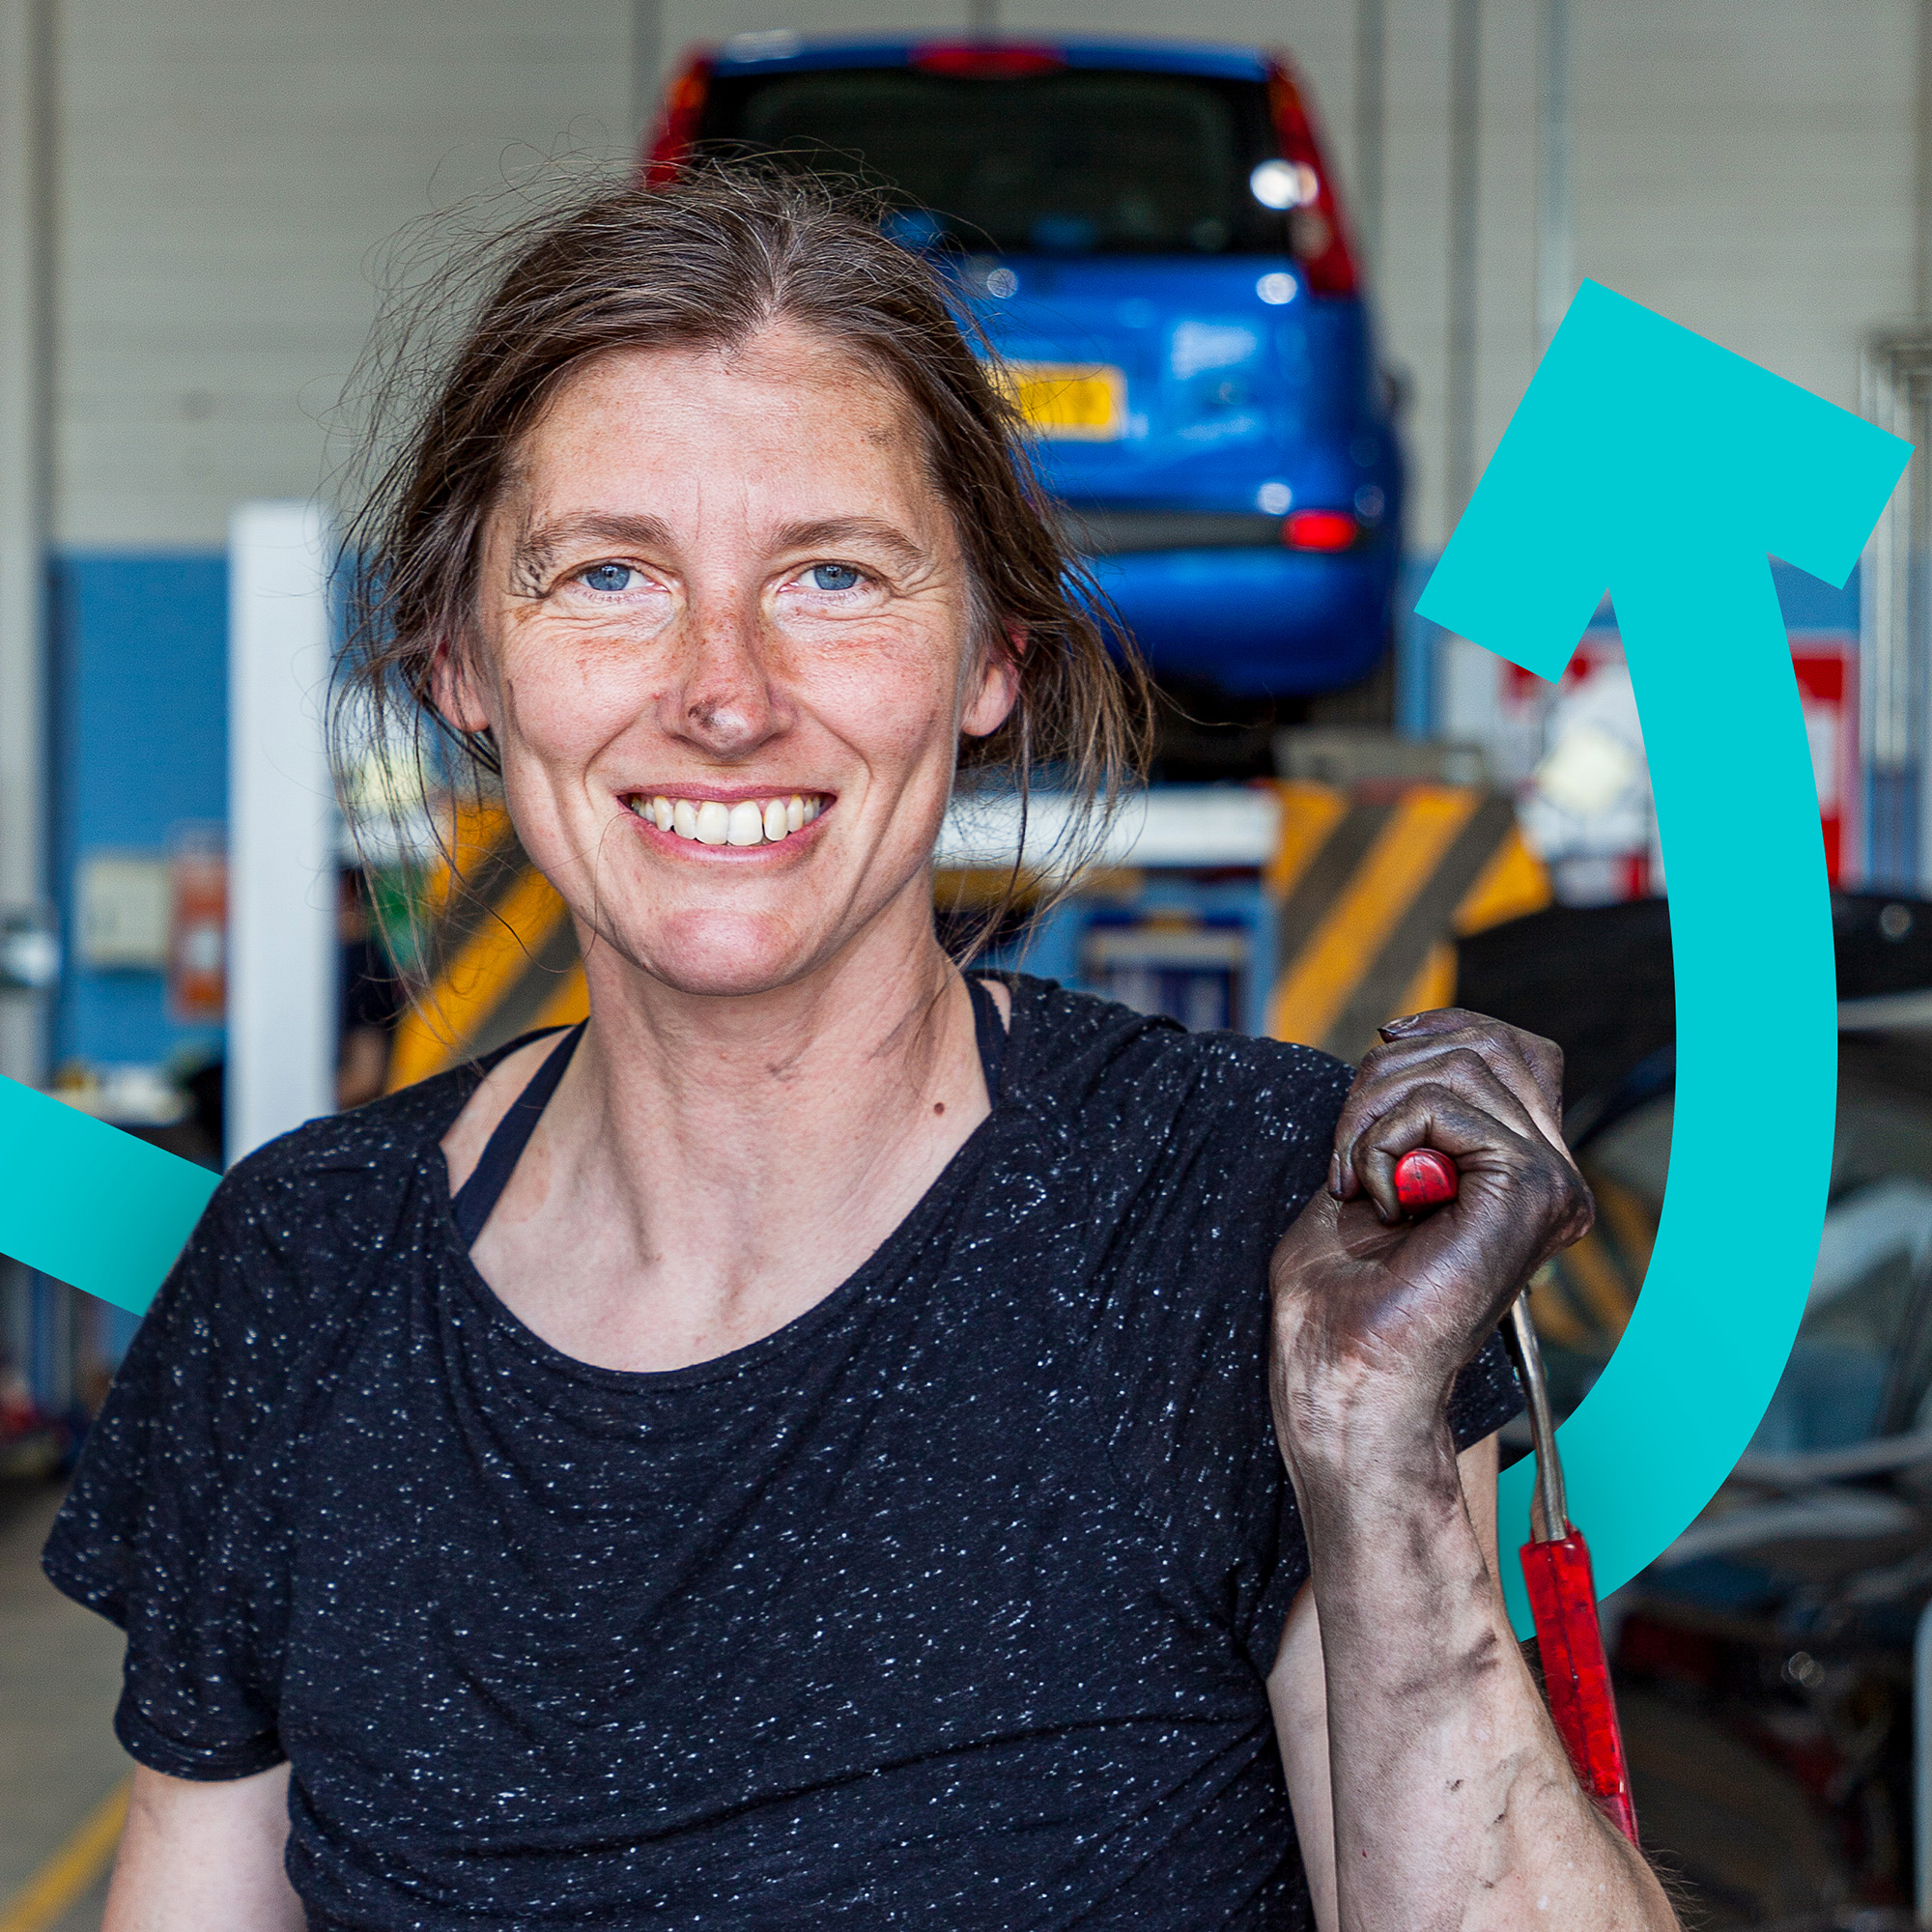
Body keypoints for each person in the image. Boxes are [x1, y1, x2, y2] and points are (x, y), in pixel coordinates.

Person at [43, 171, 1678, 1931]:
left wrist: (1373, 1467)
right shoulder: (306, 1268)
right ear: (463, 663)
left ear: (990, 656)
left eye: (832, 574)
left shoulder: (1251, 1223)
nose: (726, 692)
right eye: (609, 574)